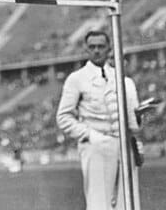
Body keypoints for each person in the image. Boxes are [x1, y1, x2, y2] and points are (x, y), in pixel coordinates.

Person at [56, 30, 141, 210]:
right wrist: (89, 135)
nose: (96, 51)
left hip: (124, 145)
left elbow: (131, 119)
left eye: (101, 46)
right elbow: (63, 117)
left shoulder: (122, 79)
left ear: (109, 48)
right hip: (95, 145)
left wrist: (136, 129)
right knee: (99, 202)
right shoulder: (77, 79)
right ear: (86, 49)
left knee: (127, 202)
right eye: (92, 47)